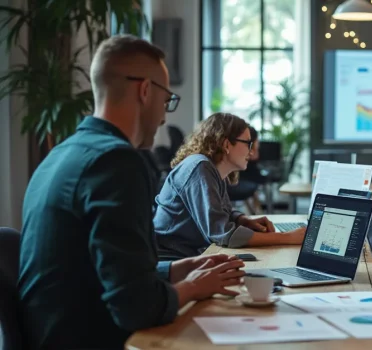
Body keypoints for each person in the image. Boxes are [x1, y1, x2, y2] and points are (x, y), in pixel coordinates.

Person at [17, 35, 245, 350]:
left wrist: (176, 270)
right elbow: (136, 308)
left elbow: (98, 269)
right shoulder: (117, 161)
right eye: (167, 100)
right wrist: (192, 288)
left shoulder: (61, 154)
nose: (165, 116)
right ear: (145, 90)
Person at [153, 112, 305, 260]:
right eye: (248, 143)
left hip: (189, 252)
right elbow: (223, 234)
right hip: (172, 256)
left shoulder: (212, 169)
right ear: (226, 144)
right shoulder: (200, 168)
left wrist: (242, 220)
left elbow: (218, 214)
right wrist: (287, 237)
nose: (251, 152)